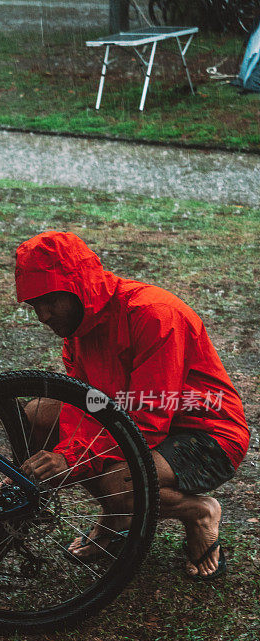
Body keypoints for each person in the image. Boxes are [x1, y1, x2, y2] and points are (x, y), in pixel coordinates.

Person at [14, 230, 250, 580]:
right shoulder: (78, 328)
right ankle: (117, 517)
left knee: (118, 481)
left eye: (49, 300)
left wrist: (70, 457)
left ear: (78, 285)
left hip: (206, 434)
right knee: (37, 415)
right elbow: (88, 404)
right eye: (34, 305)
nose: (43, 316)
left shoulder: (154, 315)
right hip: (137, 421)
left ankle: (199, 512)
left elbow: (149, 420)